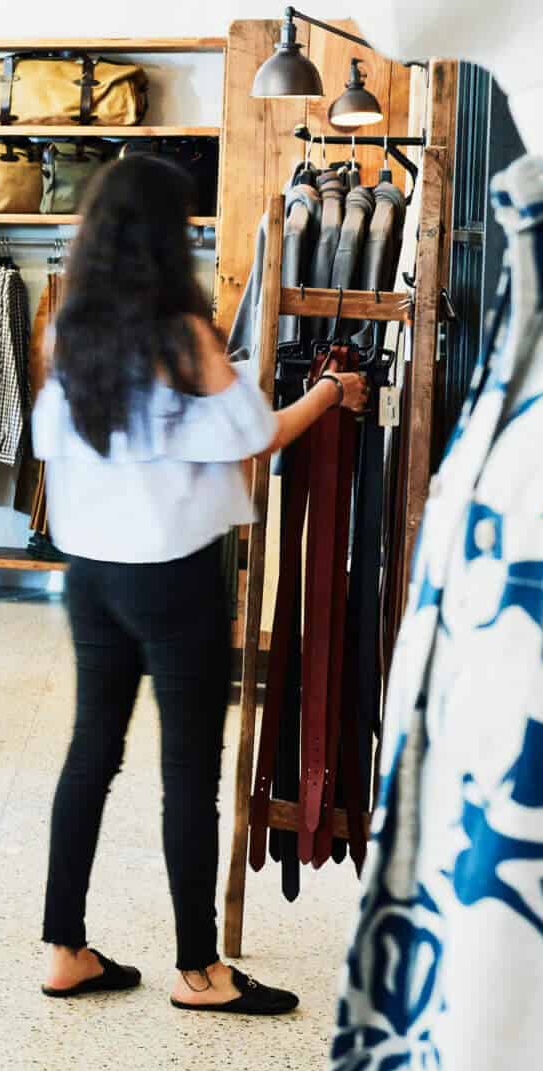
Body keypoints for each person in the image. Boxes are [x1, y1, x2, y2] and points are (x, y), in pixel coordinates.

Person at [27, 154, 363, 1016]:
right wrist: (330, 390)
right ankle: (199, 970)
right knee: (189, 772)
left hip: (90, 573)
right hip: (173, 575)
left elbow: (55, 443)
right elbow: (256, 433)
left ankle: (65, 946)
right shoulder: (182, 334)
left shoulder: (68, 329)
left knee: (89, 753)